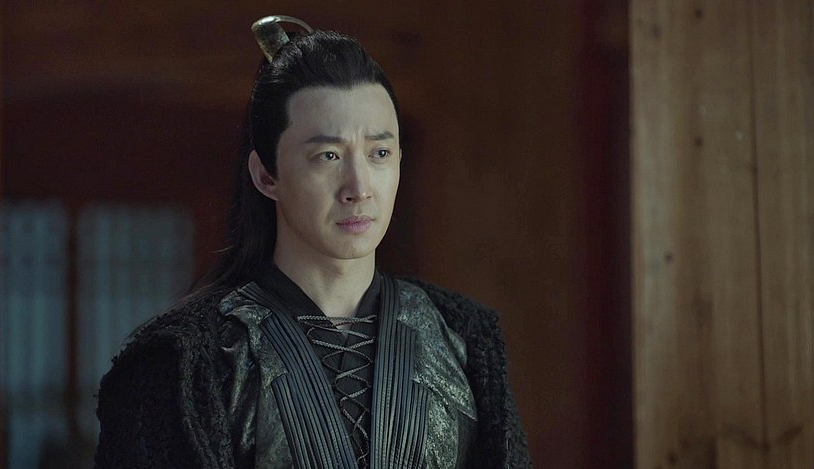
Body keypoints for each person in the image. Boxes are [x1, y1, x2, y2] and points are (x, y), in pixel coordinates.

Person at [93, 16, 531, 469]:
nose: (358, 187)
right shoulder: (184, 360)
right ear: (266, 175)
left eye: (379, 153)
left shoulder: (463, 337)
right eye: (328, 155)